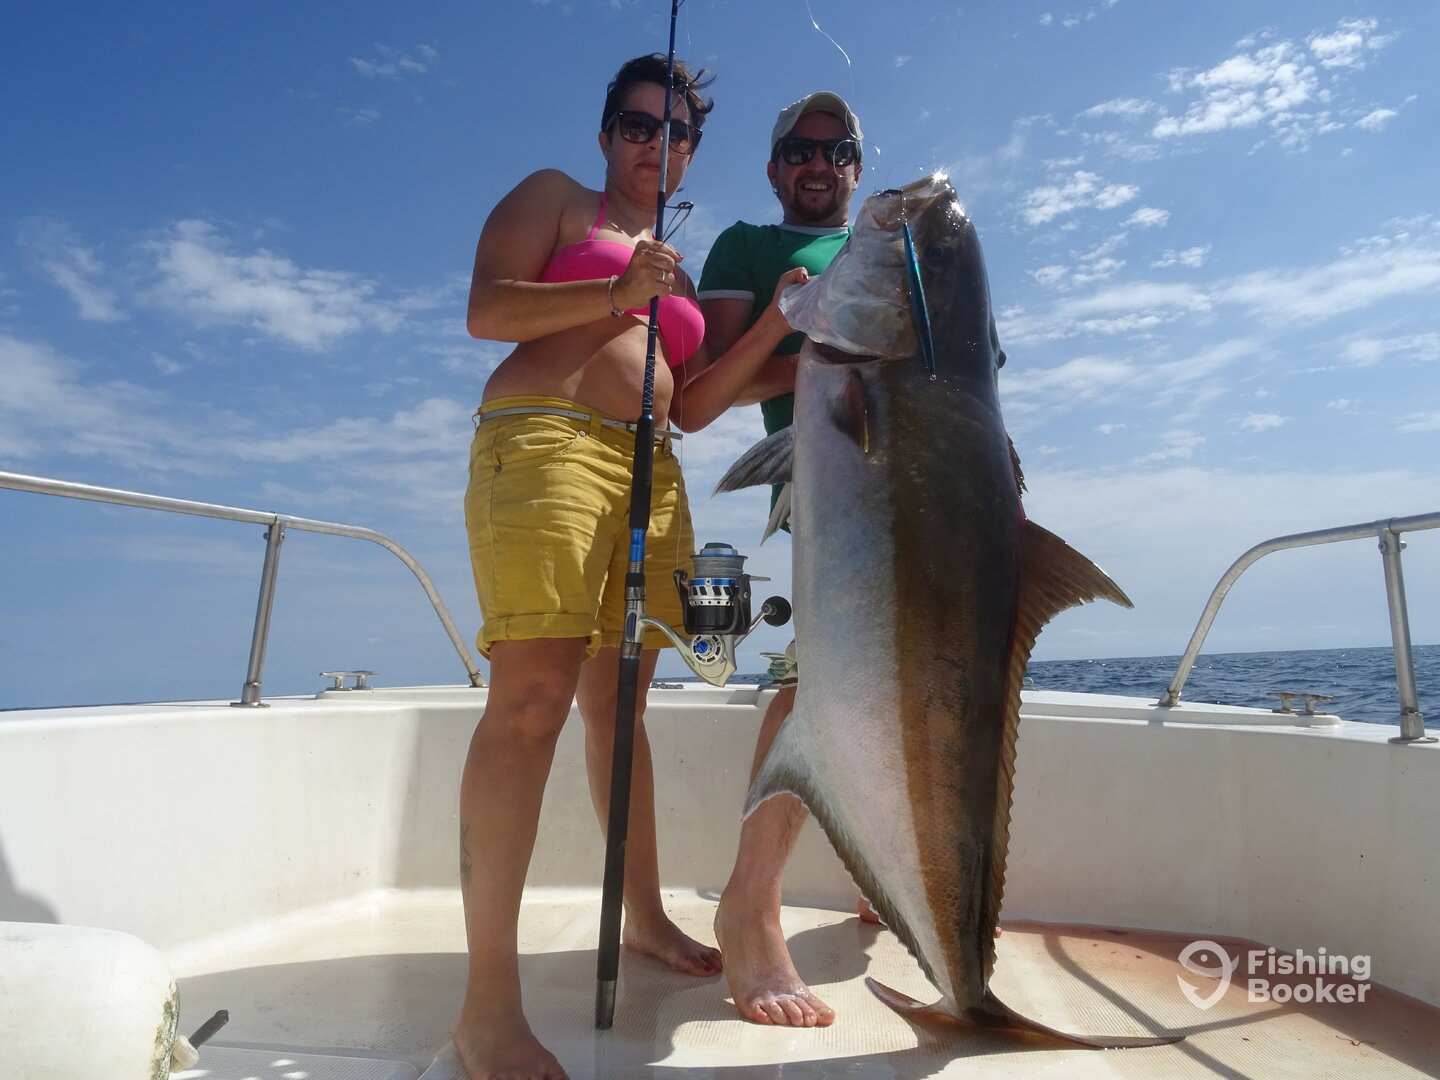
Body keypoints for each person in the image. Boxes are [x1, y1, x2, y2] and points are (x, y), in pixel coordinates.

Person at [459, 55, 806, 1080]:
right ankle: (486, 1011)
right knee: (532, 704)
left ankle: (644, 915)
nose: (658, 143)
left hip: (655, 472)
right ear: (607, 134)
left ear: (693, 150)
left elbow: (691, 404)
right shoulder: (556, 199)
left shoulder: (679, 272)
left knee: (623, 711)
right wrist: (615, 290)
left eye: (676, 130)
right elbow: (486, 310)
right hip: (547, 441)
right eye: (638, 125)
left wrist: (780, 326)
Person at [696, 92, 868, 1029]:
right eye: (800, 149)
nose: (818, 164)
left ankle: (882, 867)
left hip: (919, 483)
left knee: (909, 683)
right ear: (773, 168)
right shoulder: (748, 247)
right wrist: (828, 353)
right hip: (825, 487)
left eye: (837, 150)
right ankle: (749, 903)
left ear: (856, 167)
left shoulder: (891, 248)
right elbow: (709, 385)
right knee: (819, 683)